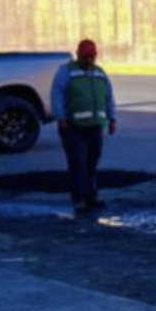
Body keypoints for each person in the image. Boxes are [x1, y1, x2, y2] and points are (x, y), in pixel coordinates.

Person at [51, 39, 116, 214]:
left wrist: (112, 119)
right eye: (85, 56)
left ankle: (91, 197)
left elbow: (109, 97)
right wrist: (61, 118)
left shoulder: (100, 73)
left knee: (92, 164)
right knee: (78, 163)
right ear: (78, 54)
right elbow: (56, 94)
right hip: (73, 127)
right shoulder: (66, 72)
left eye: (92, 56)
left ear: (96, 56)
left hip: (95, 127)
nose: (89, 60)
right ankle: (78, 199)